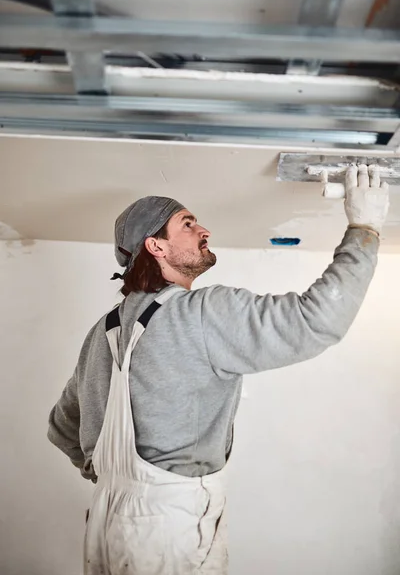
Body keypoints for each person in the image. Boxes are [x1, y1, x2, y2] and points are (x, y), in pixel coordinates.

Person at [48, 164, 389, 575]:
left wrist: (114, 484)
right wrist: (364, 227)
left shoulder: (100, 335)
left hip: (105, 524)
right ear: (155, 246)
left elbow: (62, 426)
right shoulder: (200, 312)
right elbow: (316, 321)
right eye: (187, 223)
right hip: (167, 527)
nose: (204, 229)